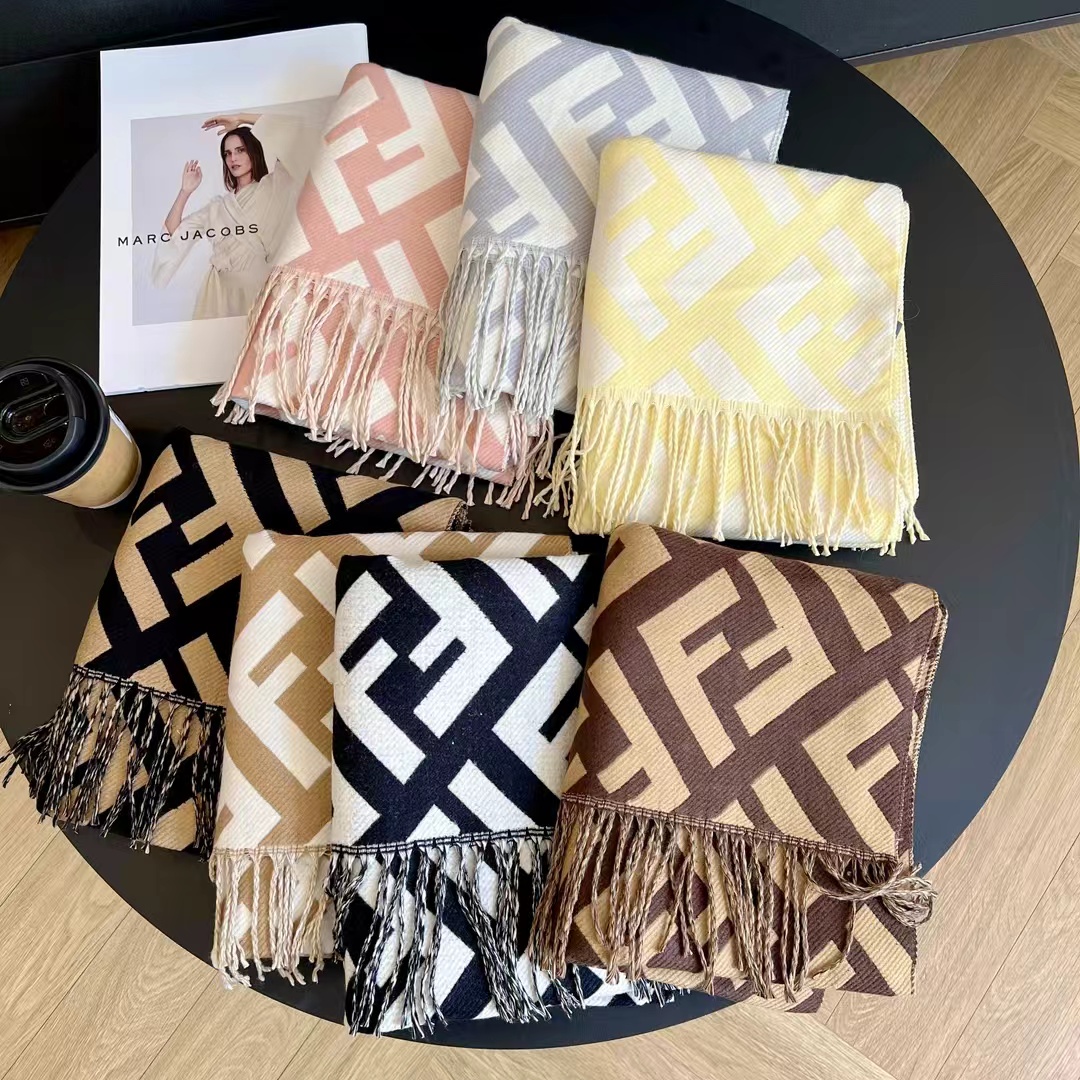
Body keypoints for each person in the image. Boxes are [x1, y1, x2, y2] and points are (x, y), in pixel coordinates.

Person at [152, 112, 302, 320]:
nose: (233, 158)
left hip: (258, 289)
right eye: (227, 153)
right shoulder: (216, 208)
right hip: (217, 296)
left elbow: (294, 136)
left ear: (253, 151)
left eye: (240, 150)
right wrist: (185, 192)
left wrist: (242, 118)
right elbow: (173, 235)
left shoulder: (273, 187)